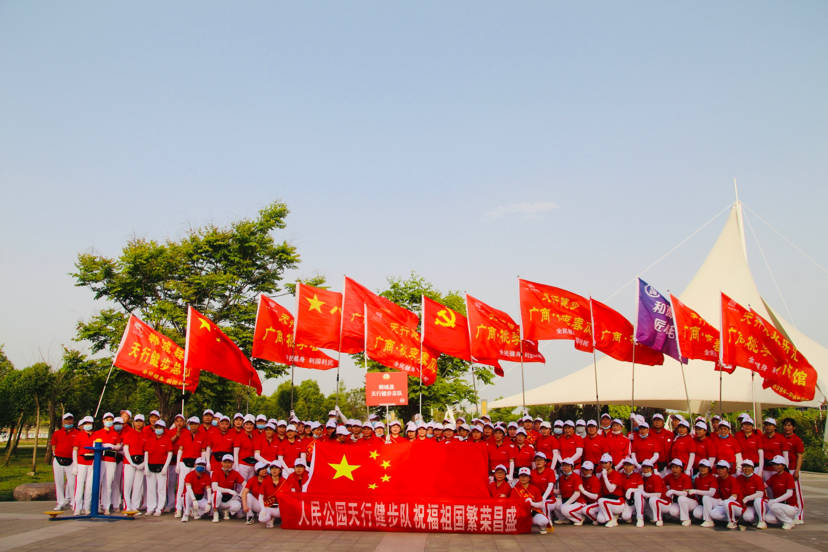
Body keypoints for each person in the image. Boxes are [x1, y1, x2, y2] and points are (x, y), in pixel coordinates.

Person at [92, 412, 123, 515]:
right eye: (107, 420)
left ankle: (106, 506)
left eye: (110, 420)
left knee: (108, 484)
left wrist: (112, 446)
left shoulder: (115, 434)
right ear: (103, 421)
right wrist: (105, 445)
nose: (109, 422)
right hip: (101, 459)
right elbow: (94, 444)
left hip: (111, 460)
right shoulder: (98, 432)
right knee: (98, 482)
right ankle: (96, 506)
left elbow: (118, 446)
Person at [176, 416, 206, 517]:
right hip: (184, 463)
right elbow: (180, 449)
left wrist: (202, 464)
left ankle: (191, 508)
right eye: (192, 424)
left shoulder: (202, 436)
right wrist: (178, 464)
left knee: (193, 487)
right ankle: (178, 508)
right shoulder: (184, 435)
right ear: (189, 425)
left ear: (198, 425)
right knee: (181, 486)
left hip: (195, 464)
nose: (193, 426)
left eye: (195, 424)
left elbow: (203, 451)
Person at [701, 460, 743, 529]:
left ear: (728, 470)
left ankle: (732, 522)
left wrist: (723, 503)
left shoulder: (733, 480)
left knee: (727, 502)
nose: (720, 470)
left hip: (737, 505)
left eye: (722, 468)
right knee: (712, 512)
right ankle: (709, 520)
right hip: (725, 503)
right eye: (718, 468)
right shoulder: (718, 479)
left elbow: (734, 497)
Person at [145, 419, 174, 516]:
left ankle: (160, 508)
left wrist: (165, 467)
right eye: (157, 427)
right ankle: (150, 507)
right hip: (151, 465)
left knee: (161, 489)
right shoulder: (150, 439)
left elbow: (169, 453)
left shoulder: (166, 439)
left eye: (160, 427)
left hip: (161, 466)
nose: (158, 429)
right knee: (150, 488)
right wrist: (146, 467)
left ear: (163, 429)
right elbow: (146, 453)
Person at [51, 413, 78, 511]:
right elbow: (53, 445)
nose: (68, 421)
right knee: (59, 482)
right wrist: (56, 454)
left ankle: (73, 501)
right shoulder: (57, 433)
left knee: (72, 482)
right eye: (66, 420)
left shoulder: (77, 433)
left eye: (70, 419)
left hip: (71, 460)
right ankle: (60, 502)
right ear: (63, 421)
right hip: (58, 459)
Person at [764, 455, 800, 530]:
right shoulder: (774, 477)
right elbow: (764, 485)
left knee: (773, 506)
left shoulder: (788, 476)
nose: (775, 466)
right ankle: (786, 520)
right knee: (768, 519)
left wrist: (775, 501)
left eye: (778, 465)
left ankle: (788, 522)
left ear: (783, 466)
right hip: (779, 505)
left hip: (791, 506)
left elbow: (789, 494)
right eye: (774, 464)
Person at [594, 454, 631, 527]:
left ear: (611, 464)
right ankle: (614, 516)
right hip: (608, 501)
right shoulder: (602, 475)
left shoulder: (616, 474)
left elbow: (611, 490)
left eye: (606, 463)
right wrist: (604, 476)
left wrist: (605, 477)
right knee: (600, 519)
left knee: (601, 501)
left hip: (618, 501)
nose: (604, 465)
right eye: (602, 463)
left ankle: (611, 519)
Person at [511, 467, 550, 534]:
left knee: (544, 520)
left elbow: (540, 504)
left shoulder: (535, 489)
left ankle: (542, 527)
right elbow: (512, 504)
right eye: (521, 476)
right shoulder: (515, 489)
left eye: (525, 476)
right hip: (520, 514)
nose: (523, 478)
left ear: (529, 478)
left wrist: (531, 503)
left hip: (533, 513)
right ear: (519, 477)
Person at [122, 413, 147, 514]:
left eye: (140, 421)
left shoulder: (145, 435)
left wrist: (143, 463)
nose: (138, 423)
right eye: (137, 421)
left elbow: (146, 451)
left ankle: (135, 507)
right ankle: (127, 507)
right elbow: (126, 449)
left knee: (138, 486)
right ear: (133, 422)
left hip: (140, 463)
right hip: (129, 463)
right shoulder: (129, 434)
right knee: (128, 485)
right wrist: (131, 462)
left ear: (143, 423)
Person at [781, 417, 805, 522]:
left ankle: (799, 516)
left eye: (789, 425)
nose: (787, 427)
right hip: (781, 469)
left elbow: (799, 456)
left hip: (792, 468)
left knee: (797, 493)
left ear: (794, 427)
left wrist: (797, 471)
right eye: (785, 425)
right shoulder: (781, 437)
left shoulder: (797, 440)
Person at [72, 416, 97, 516]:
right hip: (81, 462)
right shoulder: (79, 435)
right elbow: (75, 450)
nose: (87, 425)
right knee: (79, 486)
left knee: (89, 487)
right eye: (86, 423)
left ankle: (86, 507)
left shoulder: (96, 435)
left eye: (89, 423)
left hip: (92, 462)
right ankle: (77, 507)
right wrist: (75, 466)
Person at [212, 454, 244, 522]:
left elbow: (246, 485)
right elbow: (214, 488)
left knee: (237, 506)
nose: (227, 464)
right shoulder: (216, 472)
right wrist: (229, 490)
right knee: (217, 494)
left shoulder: (235, 473)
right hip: (219, 498)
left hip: (229, 498)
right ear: (221, 463)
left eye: (229, 462)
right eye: (225, 462)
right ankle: (215, 514)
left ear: (232, 463)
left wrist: (240, 496)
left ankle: (226, 510)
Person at [637, 459, 670, 527]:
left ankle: (659, 519)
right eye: (644, 468)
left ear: (652, 469)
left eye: (648, 468)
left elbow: (658, 495)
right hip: (653, 503)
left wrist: (646, 494)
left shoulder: (656, 478)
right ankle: (650, 517)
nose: (645, 469)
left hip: (665, 502)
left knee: (653, 499)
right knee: (642, 503)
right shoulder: (644, 478)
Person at [554, 457, 586, 525]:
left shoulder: (576, 477)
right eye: (564, 466)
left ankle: (579, 518)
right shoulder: (562, 477)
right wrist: (551, 490)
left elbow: (577, 494)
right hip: (566, 500)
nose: (565, 468)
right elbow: (561, 491)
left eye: (568, 466)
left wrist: (566, 504)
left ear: (572, 467)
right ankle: (563, 519)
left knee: (564, 509)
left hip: (578, 502)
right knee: (554, 501)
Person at [737, 459, 767, 529]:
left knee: (758, 500)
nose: (746, 469)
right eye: (744, 467)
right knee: (747, 517)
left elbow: (760, 494)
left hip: (761, 503)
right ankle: (756, 520)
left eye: (749, 467)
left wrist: (747, 498)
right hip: (749, 505)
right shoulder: (739, 478)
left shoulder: (757, 478)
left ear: (753, 469)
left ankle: (762, 521)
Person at [181, 458, 212, 522]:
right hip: (189, 498)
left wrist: (209, 503)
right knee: (186, 494)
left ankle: (196, 512)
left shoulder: (206, 476)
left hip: (200, 498)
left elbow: (208, 490)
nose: (201, 466)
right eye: (199, 464)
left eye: (202, 465)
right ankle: (185, 515)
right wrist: (194, 500)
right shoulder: (189, 475)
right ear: (195, 465)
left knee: (209, 508)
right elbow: (188, 488)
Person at [257, 460, 286, 527]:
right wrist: (263, 509)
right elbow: (260, 497)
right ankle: (270, 519)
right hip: (269, 507)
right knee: (262, 518)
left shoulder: (284, 481)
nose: (274, 470)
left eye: (276, 468)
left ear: (280, 470)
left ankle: (284, 520)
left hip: (279, 508)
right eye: (272, 468)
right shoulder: (265, 481)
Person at [531, 452, 556, 520]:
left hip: (548, 498)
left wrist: (542, 499)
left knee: (544, 504)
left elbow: (550, 486)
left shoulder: (550, 472)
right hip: (536, 498)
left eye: (541, 459)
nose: (538, 462)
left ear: (545, 462)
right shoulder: (532, 472)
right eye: (536, 460)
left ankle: (548, 521)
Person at [234, 414, 258, 482]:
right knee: (241, 484)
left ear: (253, 426)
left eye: (251, 424)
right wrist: (236, 466)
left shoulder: (256, 437)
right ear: (243, 425)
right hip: (243, 464)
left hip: (253, 464)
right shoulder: (239, 437)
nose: (249, 426)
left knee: (250, 484)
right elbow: (235, 453)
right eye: (247, 424)